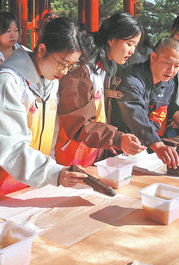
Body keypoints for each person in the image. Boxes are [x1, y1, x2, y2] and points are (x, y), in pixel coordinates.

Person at [0, 17, 88, 205]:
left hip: (28, 183)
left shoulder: (50, 79)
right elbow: (11, 148)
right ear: (42, 50)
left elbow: (50, 136)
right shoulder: (7, 81)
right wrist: (53, 172)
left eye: (71, 66)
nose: (64, 72)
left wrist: (51, 170)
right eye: (62, 63)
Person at [55, 12, 146, 167]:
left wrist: (107, 139)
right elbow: (79, 123)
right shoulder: (81, 68)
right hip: (67, 157)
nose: (132, 51)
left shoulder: (103, 66)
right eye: (129, 44)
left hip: (87, 154)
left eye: (135, 46)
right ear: (111, 39)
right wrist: (115, 137)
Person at [111, 37, 179, 169]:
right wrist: (157, 144)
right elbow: (135, 114)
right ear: (153, 57)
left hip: (141, 149)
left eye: (177, 66)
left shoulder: (168, 83)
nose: (171, 70)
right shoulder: (132, 79)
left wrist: (151, 143)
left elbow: (158, 116)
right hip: (116, 147)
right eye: (168, 63)